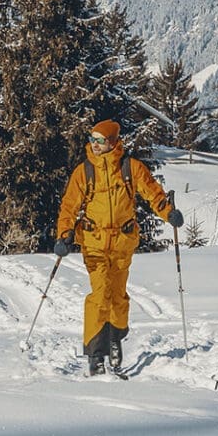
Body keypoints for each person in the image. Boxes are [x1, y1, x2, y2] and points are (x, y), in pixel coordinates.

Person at [54, 119, 180, 376]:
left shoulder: (130, 168)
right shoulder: (85, 171)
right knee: (100, 294)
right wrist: (64, 234)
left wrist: (169, 213)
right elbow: (69, 206)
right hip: (94, 242)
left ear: (112, 142)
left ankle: (114, 338)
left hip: (123, 242)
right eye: (92, 139)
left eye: (100, 140)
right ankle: (96, 353)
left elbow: (153, 192)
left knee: (118, 296)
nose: (95, 144)